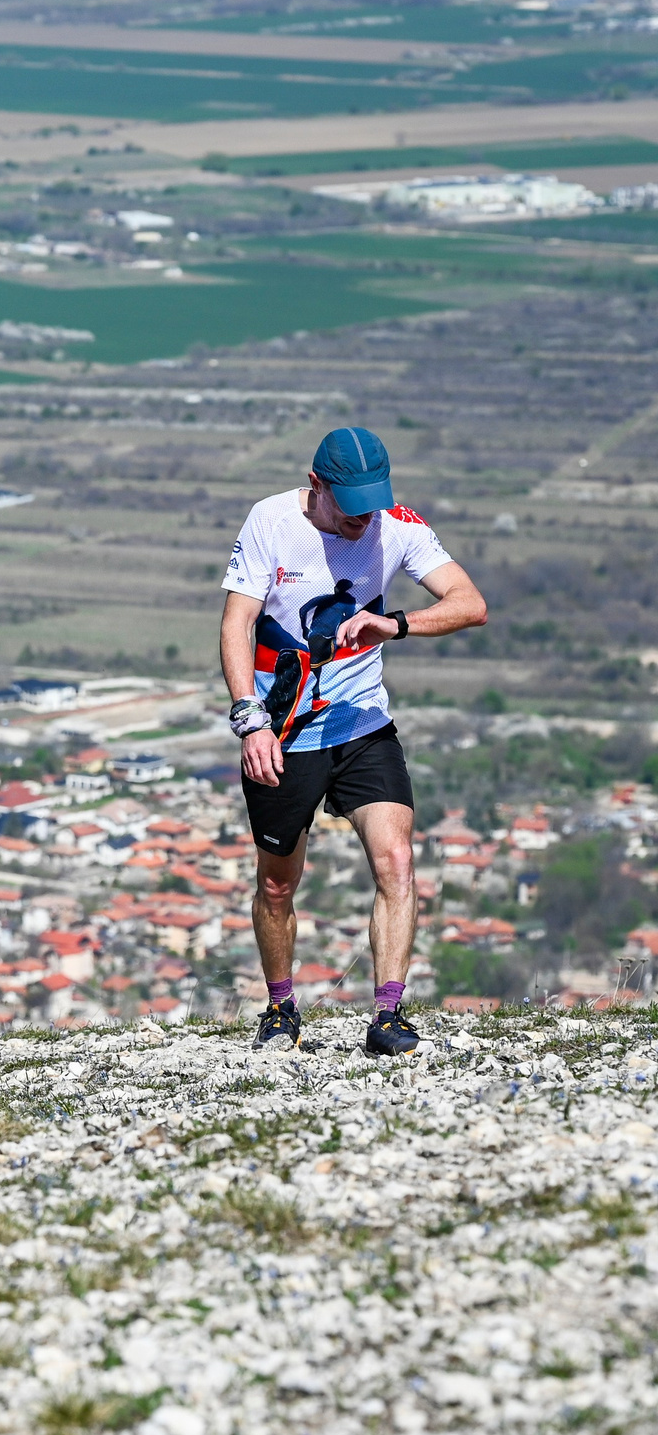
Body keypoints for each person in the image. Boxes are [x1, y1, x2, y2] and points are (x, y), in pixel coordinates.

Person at [220, 427, 487, 1056]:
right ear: (318, 486)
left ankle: (387, 1016)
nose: (365, 517)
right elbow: (236, 624)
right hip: (285, 730)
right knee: (278, 885)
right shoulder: (270, 521)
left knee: (396, 862)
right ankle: (281, 1007)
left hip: (364, 721)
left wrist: (396, 623)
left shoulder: (396, 524)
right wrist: (249, 719)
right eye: (352, 504)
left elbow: (470, 603)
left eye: (374, 501)